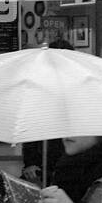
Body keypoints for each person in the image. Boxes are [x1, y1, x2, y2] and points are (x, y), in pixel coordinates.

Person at [20, 38, 74, 185]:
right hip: (43, 168)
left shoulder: (78, 93)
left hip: (70, 166)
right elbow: (31, 128)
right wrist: (30, 163)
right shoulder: (40, 91)